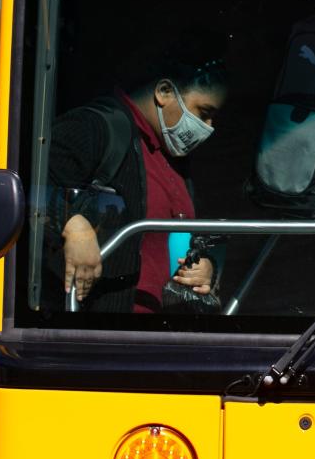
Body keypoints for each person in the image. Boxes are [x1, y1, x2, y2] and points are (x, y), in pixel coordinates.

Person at [48, 56, 228, 313]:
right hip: (102, 334)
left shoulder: (175, 158)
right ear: (164, 92)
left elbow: (180, 240)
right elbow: (26, 182)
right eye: (204, 113)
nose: (209, 127)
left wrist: (205, 268)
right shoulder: (96, 127)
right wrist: (73, 225)